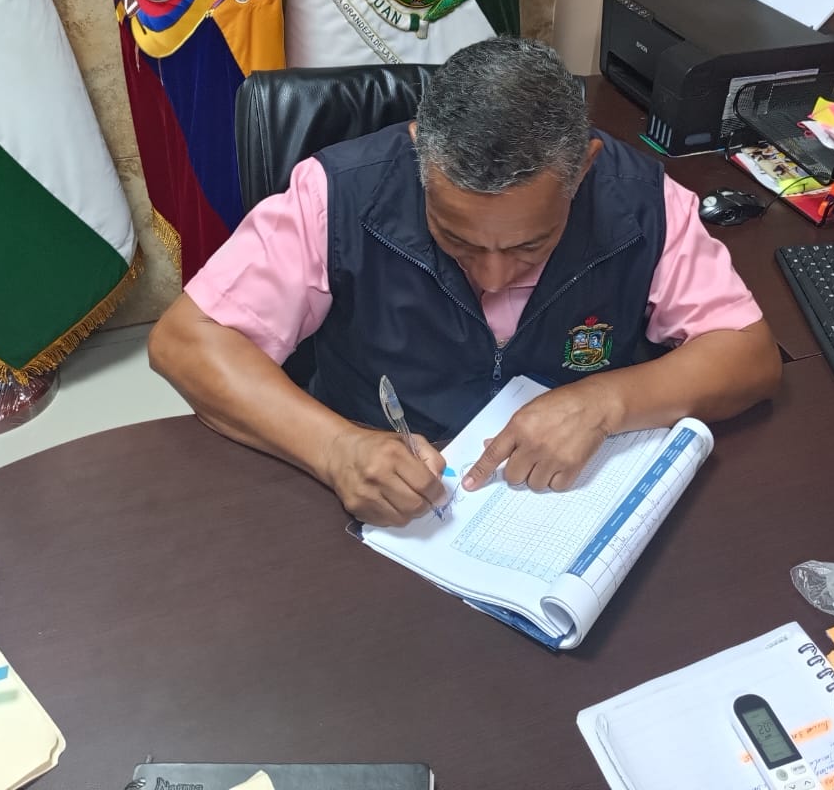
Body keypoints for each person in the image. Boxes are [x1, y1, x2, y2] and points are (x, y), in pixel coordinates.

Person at [149, 37, 781, 526]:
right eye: (458, 240)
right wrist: (337, 449)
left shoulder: (641, 202)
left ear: (583, 169)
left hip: (562, 501)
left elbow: (748, 355)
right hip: (380, 502)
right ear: (418, 153)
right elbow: (185, 340)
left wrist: (604, 402)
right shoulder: (337, 194)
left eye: (529, 245)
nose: (493, 276)